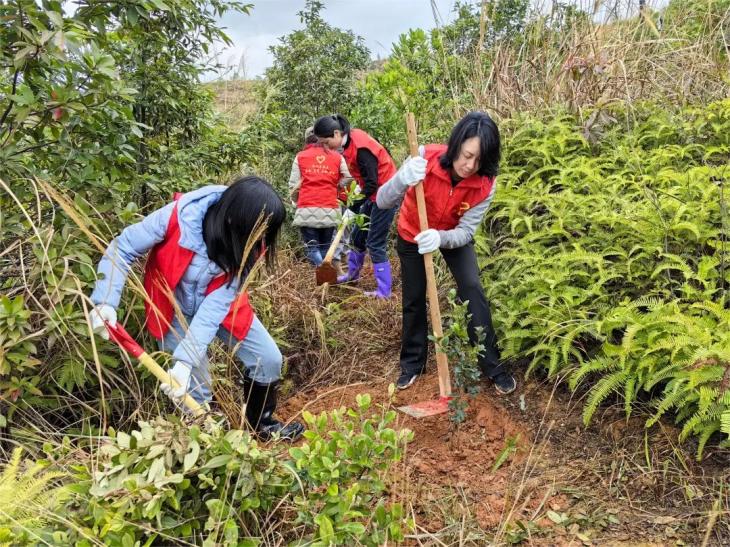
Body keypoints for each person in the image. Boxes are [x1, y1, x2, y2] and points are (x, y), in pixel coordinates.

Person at [87, 177, 305, 440]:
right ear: (236, 222)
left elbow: (213, 310)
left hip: (221, 305)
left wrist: (186, 358)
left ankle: (262, 426)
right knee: (193, 390)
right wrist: (106, 301)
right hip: (170, 306)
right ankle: (204, 444)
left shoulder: (252, 243)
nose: (261, 243)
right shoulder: (179, 217)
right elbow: (122, 249)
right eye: (257, 234)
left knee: (268, 359)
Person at [376, 112, 516, 394]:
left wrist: (440, 237)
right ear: (456, 144)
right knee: (414, 298)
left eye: (479, 160)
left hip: (451, 234)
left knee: (473, 289)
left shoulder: (485, 184)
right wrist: (403, 178)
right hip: (412, 231)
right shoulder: (424, 157)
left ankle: (491, 365)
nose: (470, 165)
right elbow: (382, 201)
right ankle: (412, 365)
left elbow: (466, 232)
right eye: (466, 155)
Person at [313, 114, 397, 298]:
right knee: (358, 237)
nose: (326, 147)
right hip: (372, 192)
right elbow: (366, 180)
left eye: (327, 142)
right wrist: (356, 200)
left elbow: (372, 183)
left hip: (387, 193)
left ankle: (384, 292)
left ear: (336, 133)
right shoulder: (348, 142)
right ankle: (352, 276)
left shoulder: (361, 148)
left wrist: (352, 207)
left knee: (375, 243)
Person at [288, 126, 351, 269]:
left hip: (307, 206)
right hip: (330, 207)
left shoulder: (301, 156)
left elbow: (293, 184)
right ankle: (326, 274)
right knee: (325, 247)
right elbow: (348, 177)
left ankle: (323, 272)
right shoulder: (337, 156)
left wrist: (298, 201)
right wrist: (336, 186)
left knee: (312, 248)